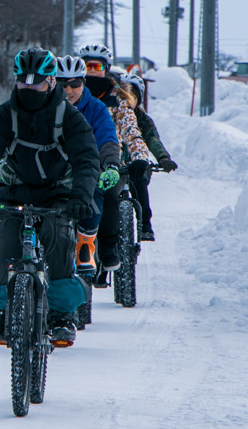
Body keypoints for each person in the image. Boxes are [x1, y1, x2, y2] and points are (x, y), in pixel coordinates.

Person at [0, 47, 100, 348]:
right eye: (23, 82)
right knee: (5, 251)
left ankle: (62, 314)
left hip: (58, 194)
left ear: (51, 82)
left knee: (60, 242)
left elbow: (87, 159)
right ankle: (4, 309)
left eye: (37, 83)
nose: (30, 88)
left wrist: (81, 196)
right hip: (14, 192)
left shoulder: (69, 117)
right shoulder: (4, 115)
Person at [77, 43, 155, 270]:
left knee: (110, 193)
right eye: (86, 65)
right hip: (75, 163)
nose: (91, 70)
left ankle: (108, 246)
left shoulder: (118, 100)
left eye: (96, 65)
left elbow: (132, 132)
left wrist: (141, 157)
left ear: (106, 68)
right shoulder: (69, 93)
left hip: (109, 163)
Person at [53, 55, 122, 274]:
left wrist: (111, 165)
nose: (69, 90)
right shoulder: (44, 105)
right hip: (49, 170)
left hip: (84, 169)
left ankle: (85, 243)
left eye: (75, 84)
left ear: (84, 83)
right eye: (63, 84)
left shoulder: (97, 108)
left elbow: (108, 139)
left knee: (95, 194)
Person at [119, 72, 178, 240]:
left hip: (136, 165)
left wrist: (163, 158)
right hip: (113, 164)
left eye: (133, 96)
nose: (128, 99)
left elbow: (152, 139)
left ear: (139, 99)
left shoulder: (143, 120)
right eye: (124, 95)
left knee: (139, 182)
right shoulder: (111, 114)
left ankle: (145, 224)